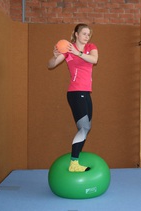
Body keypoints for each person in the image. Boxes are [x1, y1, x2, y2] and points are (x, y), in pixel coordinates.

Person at [47, 23, 98, 172]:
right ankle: (74, 163)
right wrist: (54, 56)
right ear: (76, 34)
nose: (86, 37)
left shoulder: (90, 47)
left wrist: (78, 53)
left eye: (88, 34)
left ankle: (75, 161)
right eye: (84, 33)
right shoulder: (67, 50)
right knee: (84, 127)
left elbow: (94, 60)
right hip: (76, 92)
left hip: (86, 93)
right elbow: (50, 65)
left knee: (86, 128)